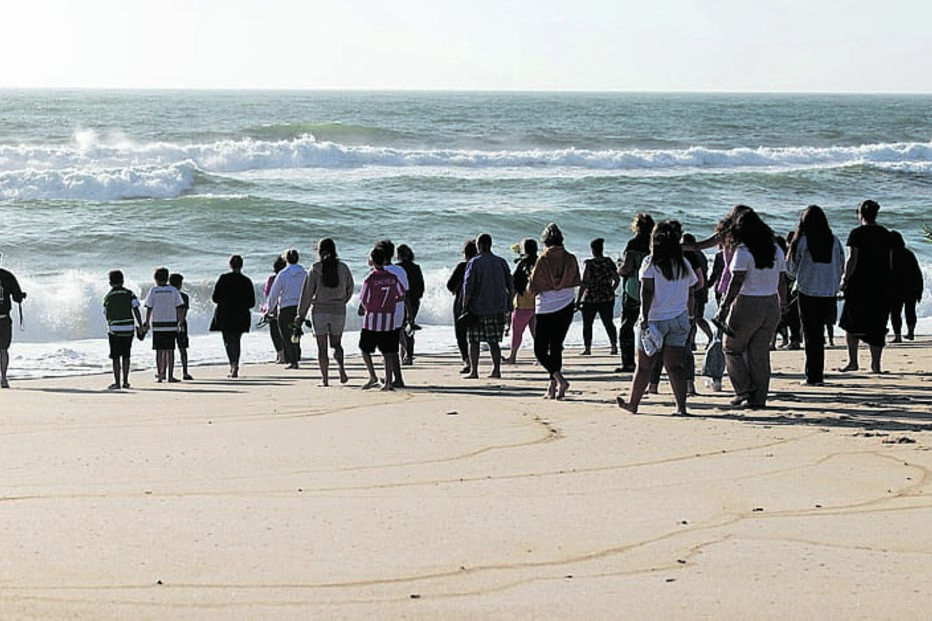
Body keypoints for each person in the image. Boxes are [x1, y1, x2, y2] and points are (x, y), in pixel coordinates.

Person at [616, 220, 697, 415]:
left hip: (655, 320)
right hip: (679, 319)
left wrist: (643, 317)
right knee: (675, 366)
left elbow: (647, 292)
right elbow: (692, 291)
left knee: (644, 366)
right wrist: (691, 315)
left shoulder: (650, 262)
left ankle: (633, 403)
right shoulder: (683, 263)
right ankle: (681, 407)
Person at [715, 209, 787, 408]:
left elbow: (737, 281)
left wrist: (724, 306)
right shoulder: (776, 249)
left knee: (731, 348)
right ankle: (759, 398)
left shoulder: (743, 251)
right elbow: (782, 280)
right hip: (771, 303)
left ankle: (744, 390)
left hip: (747, 303)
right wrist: (783, 302)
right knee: (759, 354)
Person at [786, 205, 845, 385]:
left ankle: (813, 375)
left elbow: (790, 269)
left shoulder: (802, 241)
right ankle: (817, 374)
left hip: (808, 291)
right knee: (820, 334)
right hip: (828, 292)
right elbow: (841, 264)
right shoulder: (834, 240)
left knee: (812, 335)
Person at [838, 200, 894, 373]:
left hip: (859, 284)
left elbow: (852, 259)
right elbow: (891, 260)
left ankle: (853, 361)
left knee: (850, 322)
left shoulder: (856, 233)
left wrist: (845, 280)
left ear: (860, 213)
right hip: (881, 283)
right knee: (877, 323)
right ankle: (875, 365)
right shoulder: (885, 233)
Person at [528, 223, 580, 400]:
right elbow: (576, 280)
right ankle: (553, 388)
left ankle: (559, 380)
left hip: (546, 307)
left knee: (540, 350)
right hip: (566, 304)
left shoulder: (543, 259)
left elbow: (533, 286)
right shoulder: (570, 258)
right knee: (556, 346)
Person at [298, 238, 355, 386]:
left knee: (322, 348)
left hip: (319, 311)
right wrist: (342, 301)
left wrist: (301, 314)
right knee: (336, 344)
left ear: (319, 251)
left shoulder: (315, 269)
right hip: (338, 311)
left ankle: (325, 380)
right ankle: (341, 369)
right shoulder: (343, 268)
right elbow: (350, 289)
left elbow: (307, 294)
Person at [462, 233, 514, 380]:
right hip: (497, 307)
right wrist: (509, 304)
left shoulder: (474, 262)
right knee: (493, 341)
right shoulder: (501, 262)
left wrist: (464, 306)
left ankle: (474, 371)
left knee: (474, 341)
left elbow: (468, 287)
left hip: (477, 307)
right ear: (490, 245)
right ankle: (496, 370)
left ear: (478, 246)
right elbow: (511, 286)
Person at [358, 245, 405, 391]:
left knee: (365, 349)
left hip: (372, 321)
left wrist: (367, 309)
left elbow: (364, 299)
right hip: (389, 320)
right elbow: (401, 295)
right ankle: (388, 382)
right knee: (388, 352)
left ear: (371, 261)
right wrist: (391, 303)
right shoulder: (392, 278)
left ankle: (372, 376)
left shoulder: (370, 279)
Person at [616, 213, 654, 372]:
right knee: (650, 326)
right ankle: (652, 360)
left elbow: (627, 268)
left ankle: (628, 363)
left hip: (633, 289)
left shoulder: (633, 244)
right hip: (652, 289)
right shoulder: (654, 244)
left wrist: (619, 268)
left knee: (627, 327)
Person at [210, 254, 256, 378]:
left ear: (230, 265)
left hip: (225, 314)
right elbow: (252, 303)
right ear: (241, 265)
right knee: (236, 340)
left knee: (228, 341)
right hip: (241, 315)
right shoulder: (246, 281)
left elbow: (215, 298)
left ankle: (233, 365)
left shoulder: (223, 278)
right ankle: (235, 364)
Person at [102, 270, 144, 390]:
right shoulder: (129, 293)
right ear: (123, 281)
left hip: (114, 329)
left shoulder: (108, 296)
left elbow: (106, 313)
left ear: (110, 282)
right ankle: (125, 381)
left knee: (115, 357)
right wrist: (140, 325)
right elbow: (136, 308)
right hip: (128, 328)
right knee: (126, 355)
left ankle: (117, 382)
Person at [578, 237, 620, 356]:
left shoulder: (590, 264)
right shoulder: (608, 262)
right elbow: (616, 279)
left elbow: (584, 282)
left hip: (591, 297)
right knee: (608, 322)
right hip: (607, 297)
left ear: (592, 250)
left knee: (587, 324)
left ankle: (587, 348)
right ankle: (613, 346)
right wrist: (611, 290)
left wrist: (578, 299)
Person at [143, 267, 185, 383]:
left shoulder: (153, 290)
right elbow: (180, 307)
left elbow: (149, 307)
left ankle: (161, 374)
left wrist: (146, 322)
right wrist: (180, 321)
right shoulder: (173, 290)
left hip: (158, 325)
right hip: (171, 324)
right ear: (167, 278)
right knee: (170, 350)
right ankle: (170, 375)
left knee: (159, 351)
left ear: (155, 279)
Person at [376, 240, 409, 388]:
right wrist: (410, 314)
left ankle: (395, 378)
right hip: (399, 311)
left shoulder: (379, 272)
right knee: (392, 345)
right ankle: (393, 376)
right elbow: (405, 293)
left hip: (384, 312)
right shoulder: (400, 270)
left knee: (388, 347)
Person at [266, 249, 306, 370]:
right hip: (299, 307)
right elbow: (309, 289)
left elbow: (274, 292)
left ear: (287, 260)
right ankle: (296, 355)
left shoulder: (283, 274)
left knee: (285, 334)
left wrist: (269, 308)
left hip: (286, 307)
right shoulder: (304, 273)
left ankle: (292, 360)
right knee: (295, 332)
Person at [504, 238, 538, 365]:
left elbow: (515, 285)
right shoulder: (540, 262)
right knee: (537, 334)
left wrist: (509, 301)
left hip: (522, 304)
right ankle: (540, 357)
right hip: (538, 303)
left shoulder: (522, 264)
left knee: (517, 332)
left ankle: (512, 356)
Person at [446, 239, 478, 374]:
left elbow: (450, 285)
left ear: (465, 253)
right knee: (476, 334)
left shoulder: (462, 266)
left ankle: (467, 361)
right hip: (478, 303)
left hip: (461, 302)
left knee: (461, 333)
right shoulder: (479, 266)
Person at [889, 230, 923, 343]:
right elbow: (917, 272)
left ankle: (898, 336)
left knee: (895, 313)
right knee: (910, 311)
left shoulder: (890, 254)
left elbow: (886, 273)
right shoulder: (909, 254)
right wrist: (919, 288)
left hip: (895, 288)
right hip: (911, 288)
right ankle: (911, 333)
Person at [682, 233, 713, 350]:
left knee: (693, 318)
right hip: (702, 289)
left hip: (694, 290)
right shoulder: (701, 254)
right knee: (697, 318)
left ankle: (694, 341)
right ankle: (697, 341)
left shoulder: (689, 255)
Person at [0, 255, 26, 389]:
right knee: (3, 350)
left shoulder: (8, 276)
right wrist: (21, 296)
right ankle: (3, 379)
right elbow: (17, 297)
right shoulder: (7, 276)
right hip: (3, 318)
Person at [396, 244, 424, 365]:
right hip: (414, 301)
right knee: (409, 327)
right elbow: (421, 288)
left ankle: (404, 354)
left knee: (400, 328)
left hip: (400, 300)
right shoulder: (416, 268)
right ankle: (408, 354)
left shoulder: (397, 268)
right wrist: (416, 297)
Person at [261, 256, 287, 364]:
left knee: (275, 333)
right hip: (285, 307)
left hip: (273, 309)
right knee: (284, 333)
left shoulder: (271, 279)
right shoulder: (286, 277)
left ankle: (280, 356)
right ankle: (285, 354)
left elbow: (267, 293)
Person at [169, 273, 193, 380]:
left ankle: (165, 372)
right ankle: (185, 372)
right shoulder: (184, 296)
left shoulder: (168, 296)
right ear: (180, 284)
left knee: (168, 349)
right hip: (181, 323)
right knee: (182, 349)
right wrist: (181, 322)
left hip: (168, 323)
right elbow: (184, 312)